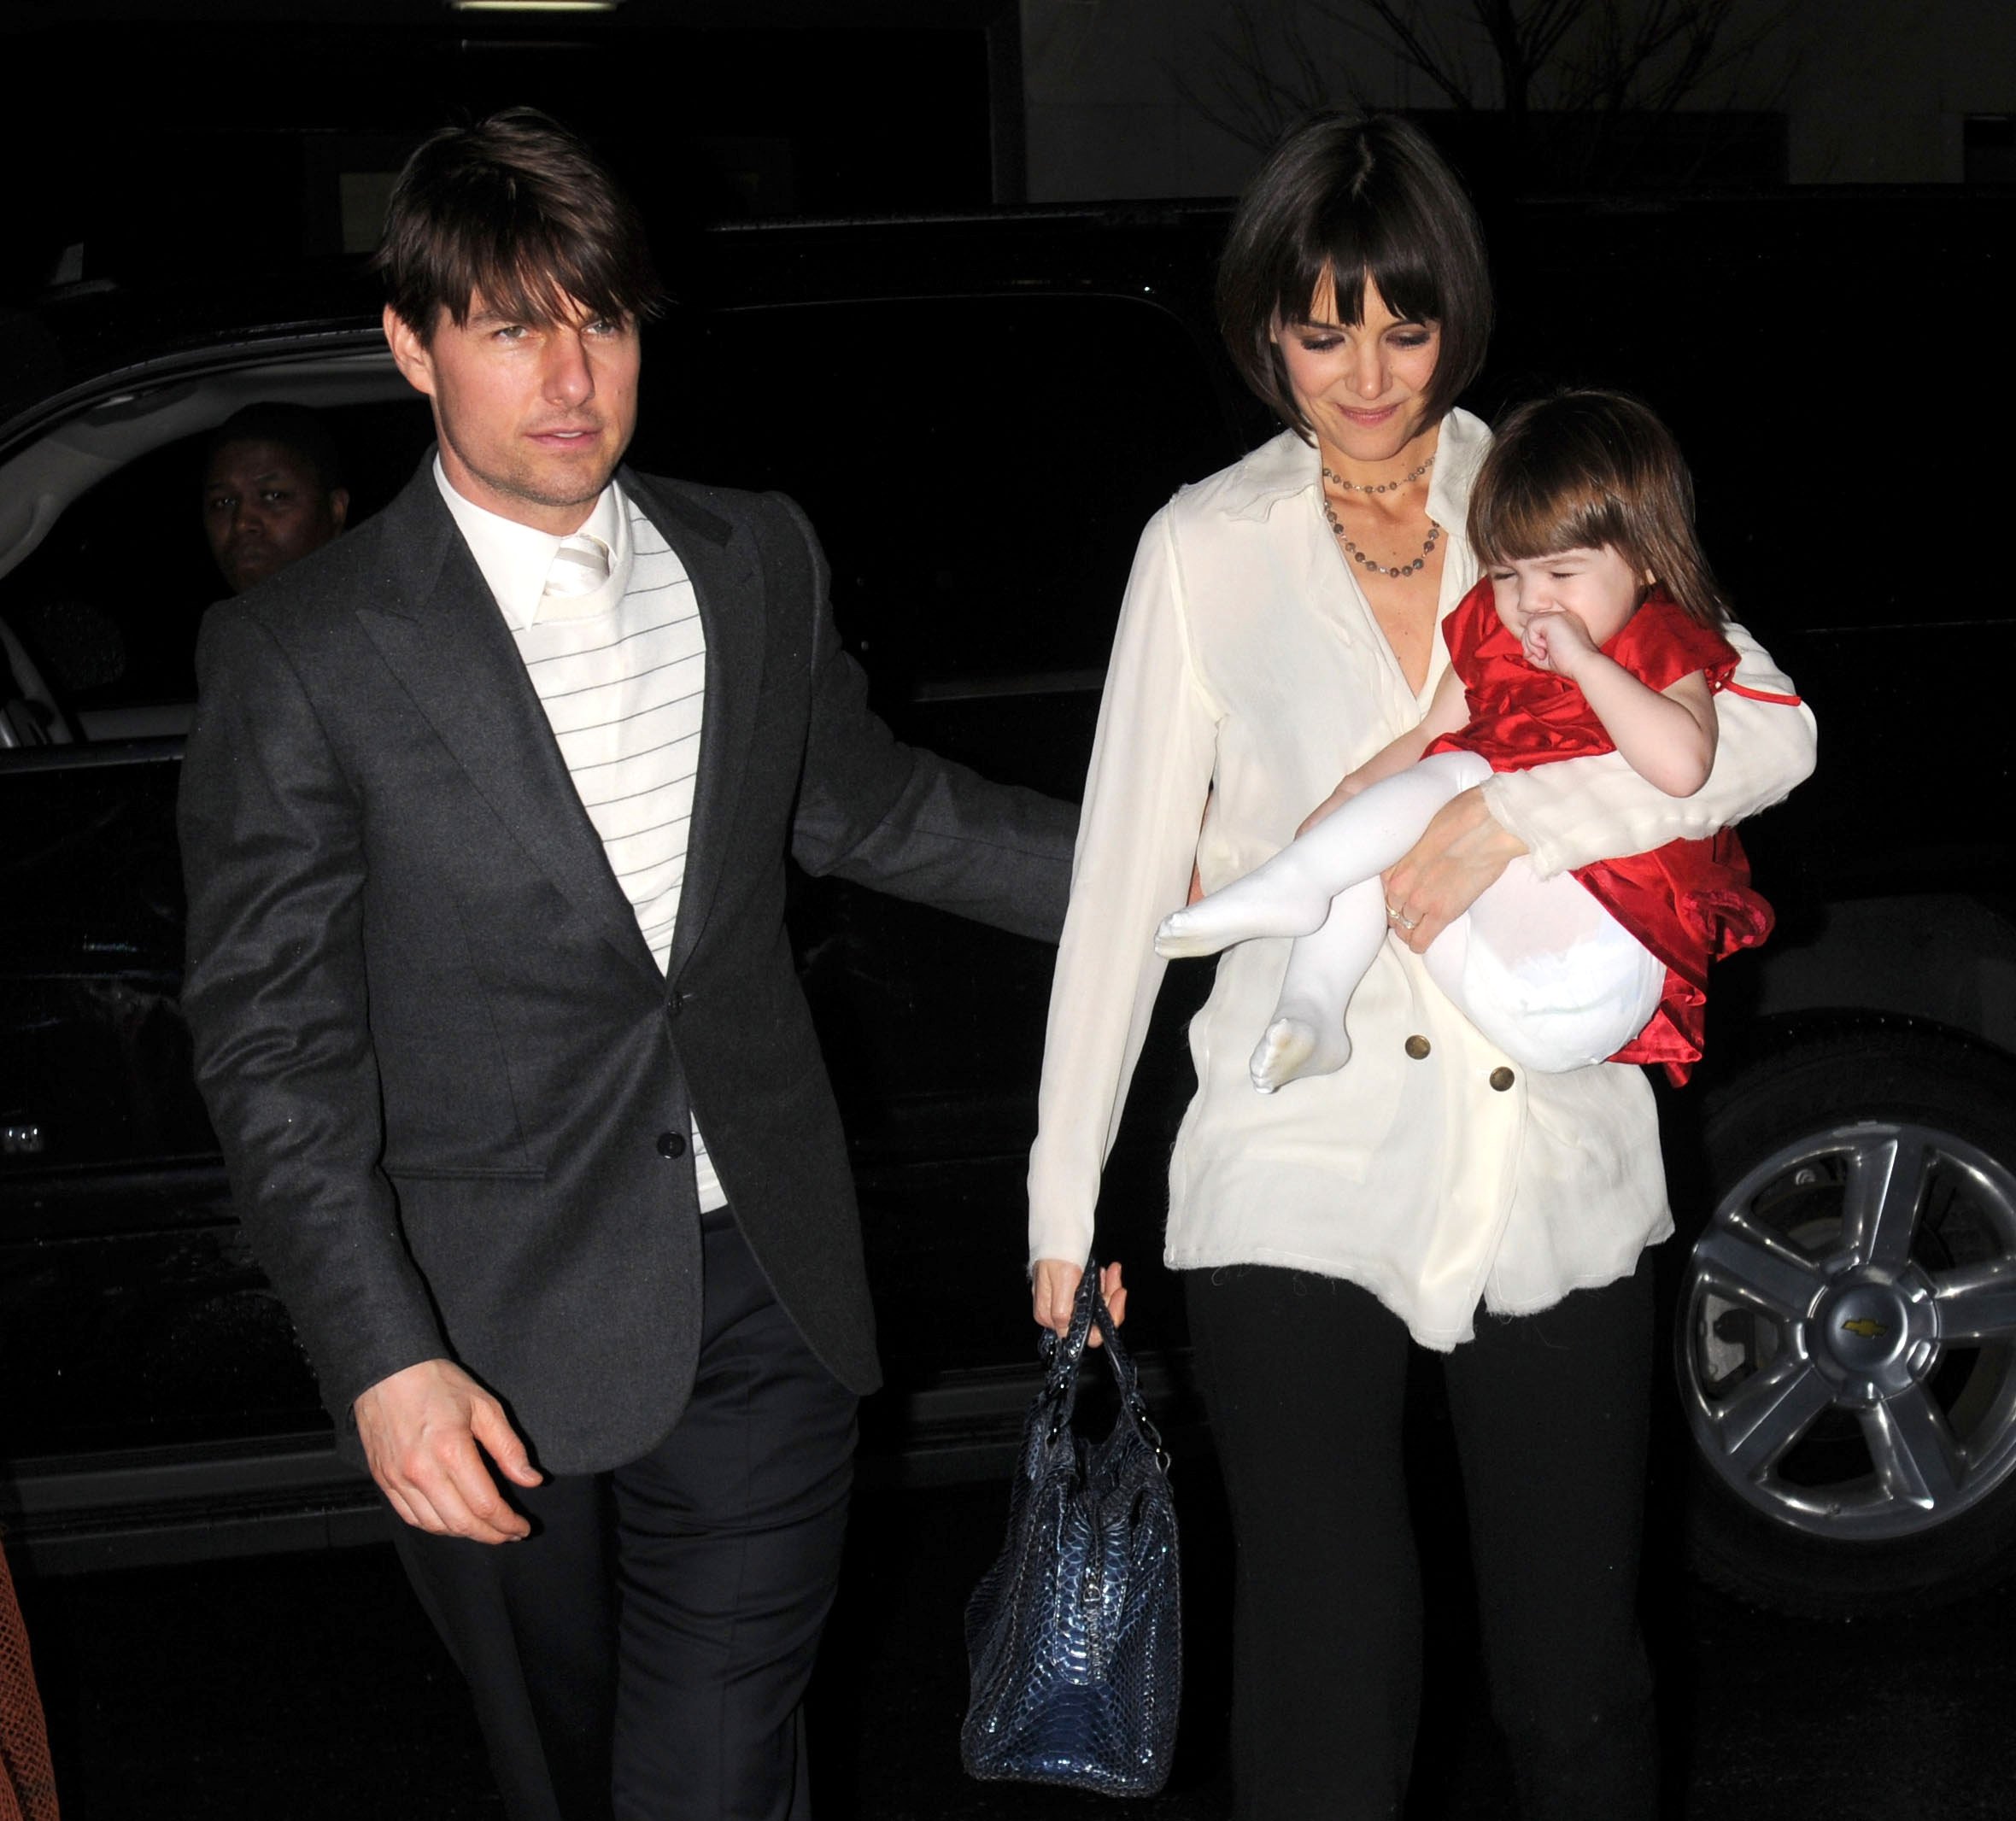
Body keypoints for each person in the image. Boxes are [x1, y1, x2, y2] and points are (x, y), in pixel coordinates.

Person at [178, 110, 1075, 1821]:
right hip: (483, 1324)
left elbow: (878, 810)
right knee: (568, 1766)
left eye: (601, 315)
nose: (571, 370)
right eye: (513, 323)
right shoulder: (302, 651)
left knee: (718, 1758)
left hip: (766, 1280)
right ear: (411, 343)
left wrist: (1193, 884)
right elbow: (274, 1046)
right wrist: (381, 1353)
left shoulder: (750, 557)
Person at [1026, 114, 1815, 1820]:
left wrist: (1518, 824)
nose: (1365, 373)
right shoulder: (1202, 549)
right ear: (1265, 331)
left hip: (1547, 1138)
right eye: (1322, 330)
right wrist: (1062, 1197)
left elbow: (1761, 734)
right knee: (1328, 1662)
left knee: (1572, 1676)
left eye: (1403, 326)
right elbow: (1116, 892)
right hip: (1291, 1137)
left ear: (1452, 318)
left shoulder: (1541, 488)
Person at [1156, 389, 1779, 1091]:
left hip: (1606, 949)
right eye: (1508, 573)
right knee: (1399, 810)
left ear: (1645, 562)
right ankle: (1314, 1006)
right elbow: (1429, 731)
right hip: (1493, 981)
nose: (1531, 600)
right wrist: (1340, 810)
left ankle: (1301, 889)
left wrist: (1585, 662)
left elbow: (1683, 767)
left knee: (1465, 775)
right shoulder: (1495, 624)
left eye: (1562, 573)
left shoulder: (1659, 636)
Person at [199, 401, 350, 594]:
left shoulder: (383, 608)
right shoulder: (228, 621)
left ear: (336, 509)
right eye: (223, 503)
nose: (242, 523)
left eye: (274, 496)